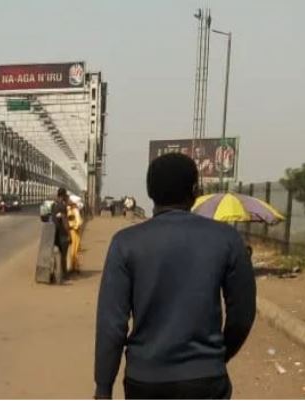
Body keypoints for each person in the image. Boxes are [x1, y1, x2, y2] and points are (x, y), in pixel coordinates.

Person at [94, 153, 256, 400]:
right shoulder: (226, 239)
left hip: (144, 381)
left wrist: (103, 386)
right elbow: (243, 314)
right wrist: (217, 356)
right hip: (206, 381)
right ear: (195, 190)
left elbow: (111, 325)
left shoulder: (125, 244)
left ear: (150, 192)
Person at [52, 188, 71, 279]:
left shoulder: (53, 206)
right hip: (63, 234)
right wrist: (69, 234)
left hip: (54, 234)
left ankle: (55, 272)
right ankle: (64, 275)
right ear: (63, 196)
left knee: (56, 254)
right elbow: (65, 222)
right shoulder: (62, 207)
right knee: (63, 256)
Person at [67, 200, 83, 273]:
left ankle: (75, 267)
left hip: (74, 231)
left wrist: (74, 226)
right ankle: (74, 266)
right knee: (73, 249)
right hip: (72, 231)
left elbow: (79, 222)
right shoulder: (70, 210)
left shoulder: (75, 211)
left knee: (75, 249)